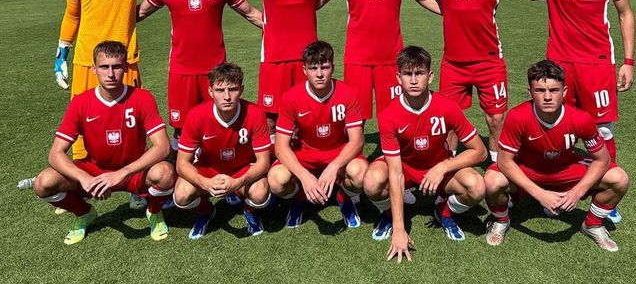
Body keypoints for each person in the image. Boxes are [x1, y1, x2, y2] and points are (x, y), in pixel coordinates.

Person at [513, 0, 636, 223]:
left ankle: (603, 194)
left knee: (602, 130)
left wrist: (628, 61)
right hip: (558, 62)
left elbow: (625, 13)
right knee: (553, 128)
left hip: (596, 62)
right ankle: (546, 187)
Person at [417, 0, 543, 162]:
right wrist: (443, 8)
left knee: (496, 118)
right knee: (450, 119)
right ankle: (448, 164)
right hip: (454, 63)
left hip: (489, 62)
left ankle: (497, 165)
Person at [34, 41, 175, 244]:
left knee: (165, 173)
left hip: (132, 172)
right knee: (43, 183)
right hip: (95, 171)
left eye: (117, 66)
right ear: (94, 70)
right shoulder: (81, 102)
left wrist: (121, 174)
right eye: (104, 67)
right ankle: (84, 213)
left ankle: (154, 211)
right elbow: (55, 153)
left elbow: (162, 146)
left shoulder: (142, 98)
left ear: (126, 68)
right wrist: (84, 178)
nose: (111, 73)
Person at [137, 0, 263, 151]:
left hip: (215, 70)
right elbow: (140, 13)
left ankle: (217, 173)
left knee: (216, 123)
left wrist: (279, 26)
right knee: (181, 128)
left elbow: (251, 14)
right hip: (181, 69)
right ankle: (181, 178)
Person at [484, 60, 629, 252]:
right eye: (539, 90)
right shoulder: (518, 116)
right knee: (492, 181)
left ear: (565, 91)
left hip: (565, 169)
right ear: (530, 92)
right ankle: (501, 221)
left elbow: (602, 159)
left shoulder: (580, 118)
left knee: (619, 179)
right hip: (528, 169)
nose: (547, 97)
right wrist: (540, 194)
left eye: (553, 90)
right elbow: (504, 161)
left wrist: (577, 192)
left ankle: (592, 224)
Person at [363, 46, 487, 263]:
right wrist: (399, 230)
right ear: (398, 77)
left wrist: (442, 167)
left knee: (477, 187)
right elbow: (395, 171)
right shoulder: (388, 115)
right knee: (372, 181)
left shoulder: (447, 107)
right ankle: (389, 214)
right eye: (407, 74)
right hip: (405, 168)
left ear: (429, 77)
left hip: (438, 165)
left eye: (419, 73)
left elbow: (481, 151)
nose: (413, 80)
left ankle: (445, 210)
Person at [54, 0, 160, 161]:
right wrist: (61, 56)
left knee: (131, 116)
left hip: (125, 56)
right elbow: (72, 14)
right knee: (81, 118)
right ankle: (82, 170)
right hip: (86, 59)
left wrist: (139, 12)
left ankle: (136, 183)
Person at [235, 0, 339, 134]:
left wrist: (318, 1)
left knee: (307, 114)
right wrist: (255, 16)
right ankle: (273, 166)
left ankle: (304, 161)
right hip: (274, 55)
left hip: (308, 57)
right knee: (271, 117)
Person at [268, 41, 367, 229]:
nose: (320, 74)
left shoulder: (348, 93)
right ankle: (300, 197)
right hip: (303, 155)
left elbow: (357, 141)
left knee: (360, 174)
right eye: (313, 68)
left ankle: (343, 195)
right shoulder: (291, 97)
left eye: (325, 67)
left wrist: (334, 166)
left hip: (337, 151)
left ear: (333, 68)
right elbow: (281, 146)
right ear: (304, 70)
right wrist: (304, 176)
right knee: (276, 180)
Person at [174, 62, 272, 239]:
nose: (227, 96)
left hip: (241, 168)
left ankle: (249, 211)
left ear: (241, 89)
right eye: (220, 90)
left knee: (260, 193)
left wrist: (238, 182)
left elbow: (263, 162)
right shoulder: (196, 115)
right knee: (181, 195)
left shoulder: (255, 113)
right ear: (210, 91)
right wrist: (204, 182)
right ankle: (206, 211)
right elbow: (181, 164)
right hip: (209, 169)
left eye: (232, 89)